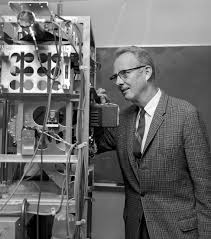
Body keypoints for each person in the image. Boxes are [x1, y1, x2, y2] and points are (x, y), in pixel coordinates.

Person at [95, 46, 211, 239]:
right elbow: (93, 145)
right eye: (115, 77)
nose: (118, 82)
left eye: (124, 74)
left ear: (146, 72)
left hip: (176, 231)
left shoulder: (185, 115)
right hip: (136, 229)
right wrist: (96, 112)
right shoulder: (122, 120)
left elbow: (206, 189)